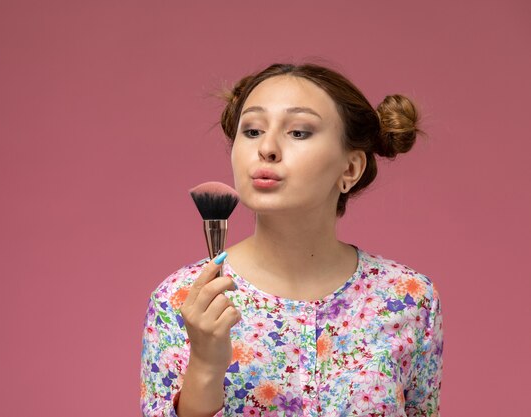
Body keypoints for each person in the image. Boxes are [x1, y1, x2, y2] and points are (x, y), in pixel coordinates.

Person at [140, 62, 444, 417]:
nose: (267, 148)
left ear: (350, 169)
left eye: (298, 132)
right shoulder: (182, 300)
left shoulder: (408, 299)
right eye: (252, 131)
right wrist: (206, 365)